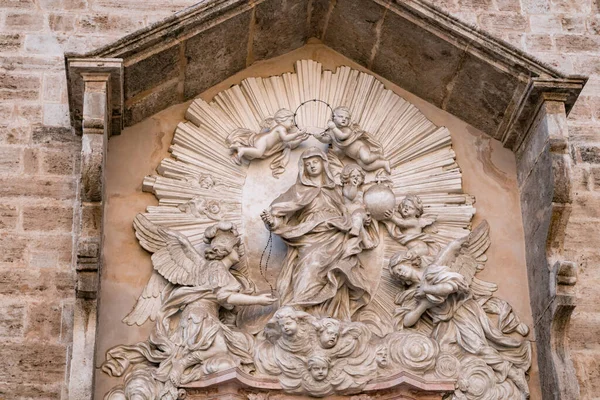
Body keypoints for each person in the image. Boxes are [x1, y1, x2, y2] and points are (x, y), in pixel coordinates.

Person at [260, 147, 379, 321]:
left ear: (323, 164)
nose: (312, 166)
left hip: (336, 234)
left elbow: (349, 207)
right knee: (308, 267)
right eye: (308, 164)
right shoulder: (298, 190)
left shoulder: (334, 190)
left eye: (315, 162)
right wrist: (272, 221)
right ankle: (298, 307)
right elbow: (278, 211)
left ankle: (327, 316)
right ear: (303, 168)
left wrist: (360, 216)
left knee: (335, 273)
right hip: (309, 235)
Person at [226, 108, 309, 174]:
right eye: (291, 121)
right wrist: (297, 134)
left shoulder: (281, 140)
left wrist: (301, 139)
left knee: (259, 152)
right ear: (283, 119)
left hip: (263, 142)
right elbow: (286, 138)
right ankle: (242, 149)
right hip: (262, 141)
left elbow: (290, 144)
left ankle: (238, 151)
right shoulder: (281, 128)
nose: (293, 124)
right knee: (259, 152)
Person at [315, 106, 390, 173]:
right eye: (341, 117)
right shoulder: (331, 132)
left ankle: (378, 155)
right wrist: (320, 138)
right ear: (333, 118)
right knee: (366, 167)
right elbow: (327, 140)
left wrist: (334, 128)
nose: (344, 119)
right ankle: (383, 164)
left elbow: (342, 136)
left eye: (347, 118)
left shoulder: (347, 129)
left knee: (366, 159)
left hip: (360, 148)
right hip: (354, 156)